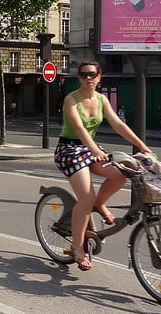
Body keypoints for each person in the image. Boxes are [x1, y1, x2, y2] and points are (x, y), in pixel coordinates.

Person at [54, 61, 151, 271]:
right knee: (86, 200)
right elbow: (79, 129)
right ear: (79, 78)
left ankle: (98, 204)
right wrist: (96, 151)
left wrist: (142, 146)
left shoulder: (101, 99)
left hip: (90, 149)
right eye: (83, 75)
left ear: (99, 77)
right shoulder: (71, 100)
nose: (88, 78)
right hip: (69, 150)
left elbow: (118, 124)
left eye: (92, 74)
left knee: (120, 175)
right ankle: (77, 247)